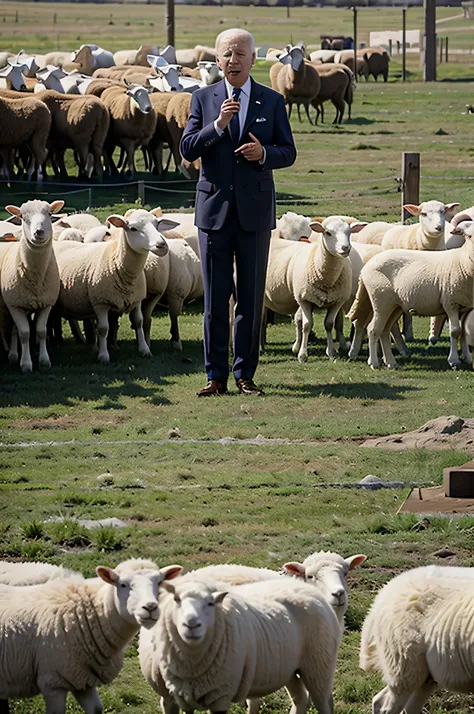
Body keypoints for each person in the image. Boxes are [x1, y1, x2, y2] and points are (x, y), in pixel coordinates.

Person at [180, 28, 296, 397]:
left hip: (255, 213)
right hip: (213, 212)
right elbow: (187, 148)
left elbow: (288, 152)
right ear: (217, 60)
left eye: (240, 54)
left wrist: (264, 155)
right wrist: (218, 126)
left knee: (250, 296)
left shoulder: (272, 100)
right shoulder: (202, 99)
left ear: (253, 58)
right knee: (215, 299)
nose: (233, 60)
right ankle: (215, 377)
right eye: (227, 54)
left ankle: (245, 374)